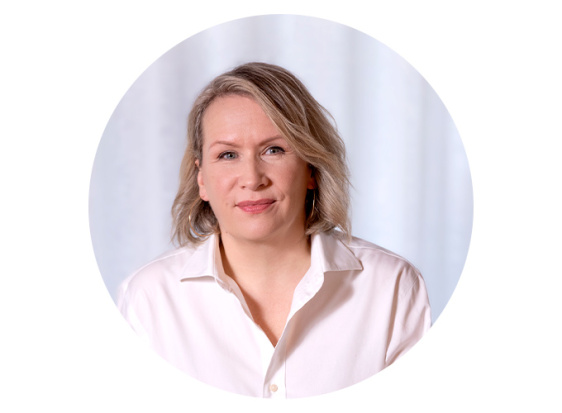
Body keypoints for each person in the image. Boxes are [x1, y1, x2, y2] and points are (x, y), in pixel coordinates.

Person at [117, 62, 431, 398]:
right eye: (228, 155)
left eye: (274, 150)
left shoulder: (391, 287)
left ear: (311, 169)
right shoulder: (148, 299)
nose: (252, 179)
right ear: (202, 179)